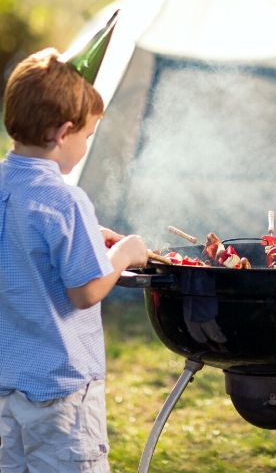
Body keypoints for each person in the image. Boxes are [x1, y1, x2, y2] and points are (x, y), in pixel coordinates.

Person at [0, 31, 148, 473]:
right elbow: (85, 291)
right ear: (63, 133)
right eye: (87, 135)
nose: (85, 144)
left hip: (6, 388)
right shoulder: (66, 200)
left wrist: (87, 234)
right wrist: (123, 254)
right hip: (62, 396)